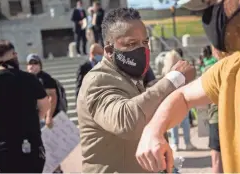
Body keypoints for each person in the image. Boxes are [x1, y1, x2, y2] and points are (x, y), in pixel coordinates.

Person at [136, 0, 240, 172]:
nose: (207, 19)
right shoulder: (231, 68)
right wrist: (153, 130)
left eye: (210, 3)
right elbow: (183, 97)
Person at [76, 7, 196, 173]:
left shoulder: (130, 77)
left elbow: (145, 102)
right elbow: (126, 120)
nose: (142, 50)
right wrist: (173, 79)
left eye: (145, 42)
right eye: (131, 44)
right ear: (110, 51)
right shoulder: (98, 81)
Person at [0, 39, 49, 172]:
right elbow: (45, 105)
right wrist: (35, 119)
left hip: (3, 146)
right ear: (14, 55)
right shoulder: (29, 79)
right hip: (29, 143)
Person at [163, 50, 196, 151]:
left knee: (173, 124)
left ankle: (175, 144)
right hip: (182, 97)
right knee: (185, 121)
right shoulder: (181, 71)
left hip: (171, 99)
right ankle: (187, 143)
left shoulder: (166, 72)